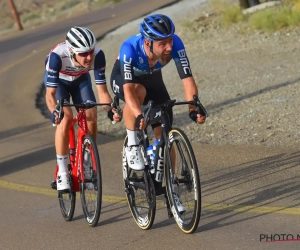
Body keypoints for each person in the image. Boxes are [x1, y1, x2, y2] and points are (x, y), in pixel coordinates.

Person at [110, 14, 206, 212]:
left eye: (170, 40)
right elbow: (128, 91)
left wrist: (193, 107)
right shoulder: (129, 48)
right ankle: (133, 145)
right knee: (138, 93)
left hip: (153, 78)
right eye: (163, 44)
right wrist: (138, 115)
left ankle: (171, 191)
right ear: (148, 42)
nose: (169, 47)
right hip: (125, 79)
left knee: (165, 131)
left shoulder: (175, 44)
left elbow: (187, 79)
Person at [44, 26, 121, 191]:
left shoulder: (98, 56)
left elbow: (102, 91)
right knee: (66, 118)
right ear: (71, 51)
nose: (88, 57)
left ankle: (86, 162)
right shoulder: (57, 56)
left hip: (80, 80)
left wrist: (110, 111)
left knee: (91, 114)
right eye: (83, 53)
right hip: (60, 82)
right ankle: (63, 171)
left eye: (90, 52)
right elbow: (50, 95)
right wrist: (54, 112)